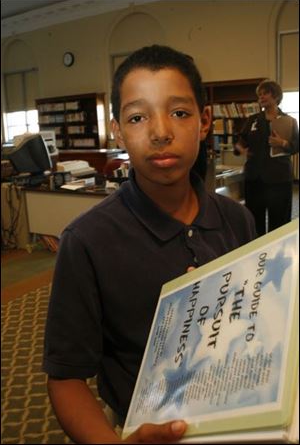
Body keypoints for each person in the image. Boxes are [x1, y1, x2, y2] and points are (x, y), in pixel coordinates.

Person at [43, 45, 256, 444]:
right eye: (138, 117)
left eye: (179, 112)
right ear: (119, 130)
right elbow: (66, 376)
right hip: (142, 426)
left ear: (205, 121)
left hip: (239, 410)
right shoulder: (87, 240)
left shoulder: (237, 219)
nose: (160, 132)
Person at [235, 79, 299, 236]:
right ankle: (257, 253)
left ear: (276, 96)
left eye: (265, 93)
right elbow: (240, 141)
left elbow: (296, 146)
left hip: (279, 178)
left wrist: (282, 142)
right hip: (254, 178)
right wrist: (240, 149)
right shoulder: (252, 120)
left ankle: (277, 255)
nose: (261, 97)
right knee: (253, 219)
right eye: (259, 95)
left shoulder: (290, 121)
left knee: (279, 221)